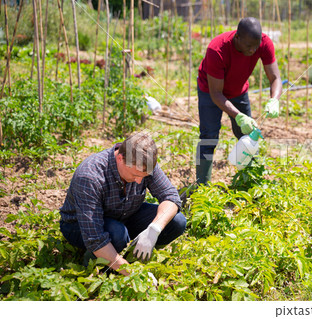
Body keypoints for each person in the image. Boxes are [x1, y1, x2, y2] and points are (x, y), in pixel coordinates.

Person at [59, 130, 186, 276]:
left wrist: (154, 229)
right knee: (117, 234)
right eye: (135, 175)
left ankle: (136, 255)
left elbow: (170, 196)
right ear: (120, 158)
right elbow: (94, 238)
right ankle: (94, 265)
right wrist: (134, 274)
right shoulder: (90, 176)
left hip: (125, 214)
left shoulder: (144, 164)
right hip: (80, 227)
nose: (139, 181)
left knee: (177, 221)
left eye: (143, 176)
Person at [196, 17, 282, 184]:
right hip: (210, 91)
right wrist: (239, 115)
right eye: (249, 46)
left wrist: (274, 99)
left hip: (238, 89)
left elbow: (275, 77)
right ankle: (202, 186)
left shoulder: (264, 43)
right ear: (237, 38)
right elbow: (216, 94)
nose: (253, 50)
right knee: (209, 136)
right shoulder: (217, 49)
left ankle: (251, 180)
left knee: (248, 135)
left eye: (256, 46)